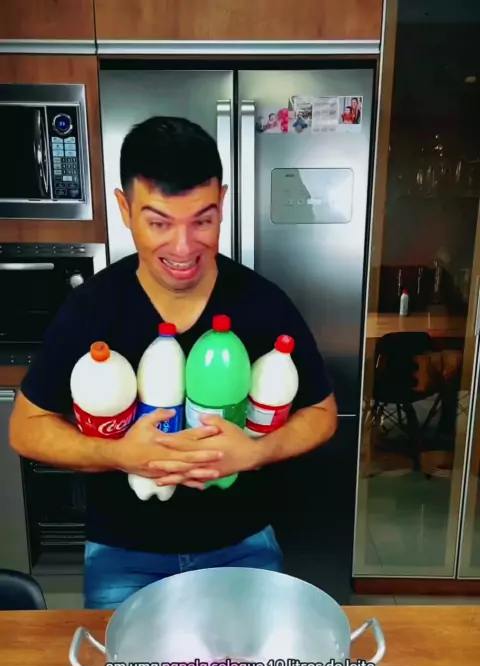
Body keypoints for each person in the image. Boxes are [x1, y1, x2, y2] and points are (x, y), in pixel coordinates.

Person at [9, 116, 337, 609]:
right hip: (124, 554)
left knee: (244, 662)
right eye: (159, 222)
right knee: (127, 662)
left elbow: (323, 413)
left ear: (222, 203)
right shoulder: (92, 308)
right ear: (125, 209)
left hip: (241, 545)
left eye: (202, 220)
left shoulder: (263, 303)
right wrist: (120, 455)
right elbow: (26, 428)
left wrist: (255, 452)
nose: (184, 248)